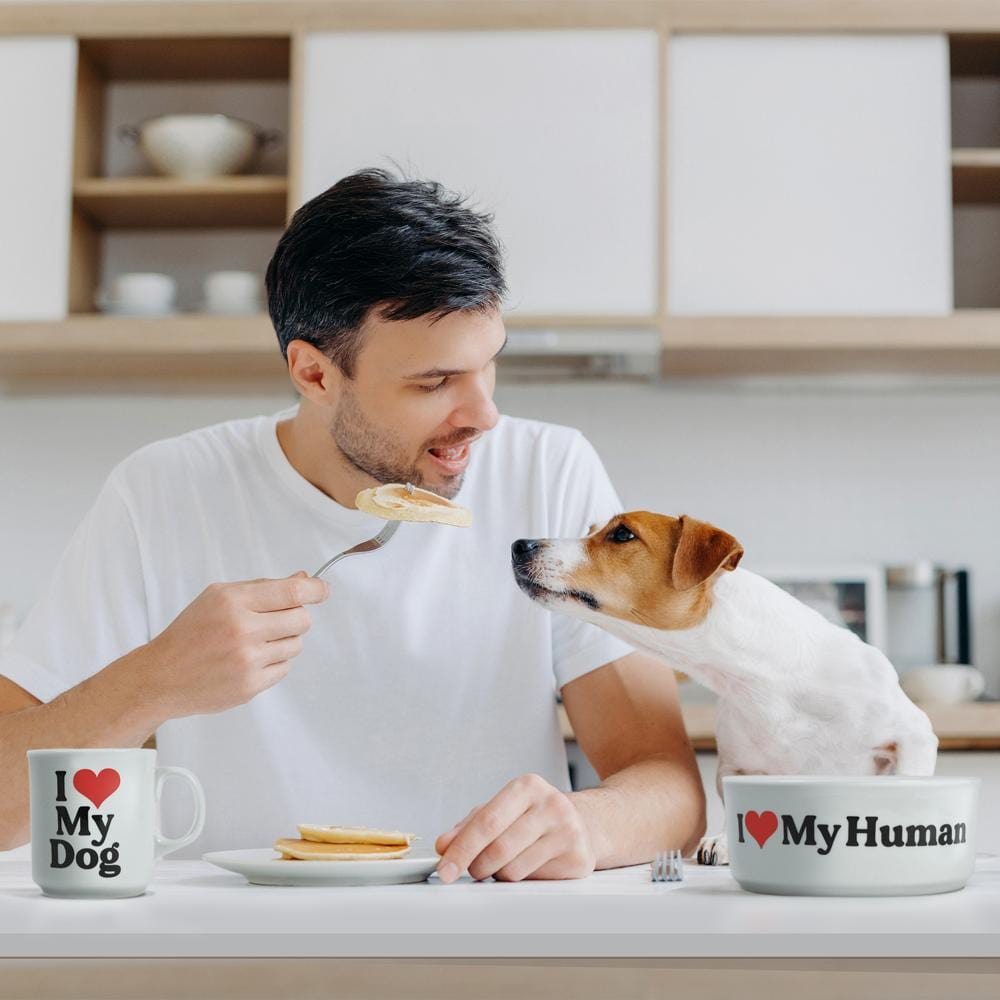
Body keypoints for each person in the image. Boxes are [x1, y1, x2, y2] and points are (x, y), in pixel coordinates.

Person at [0, 169, 705, 883]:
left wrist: (587, 823)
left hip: (484, 935)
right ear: (313, 375)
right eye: (434, 383)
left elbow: (670, 789)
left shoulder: (546, 471)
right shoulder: (164, 493)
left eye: (487, 365)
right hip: (232, 948)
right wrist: (155, 679)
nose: (483, 414)